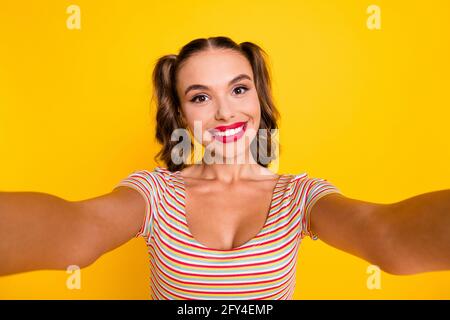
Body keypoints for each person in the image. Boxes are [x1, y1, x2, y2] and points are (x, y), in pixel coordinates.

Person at [1, 36, 449, 300]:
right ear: (179, 114)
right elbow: (76, 232)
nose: (224, 113)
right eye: (200, 97)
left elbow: (386, 236)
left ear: (258, 98)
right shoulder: (154, 193)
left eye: (239, 89)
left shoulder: (300, 196)